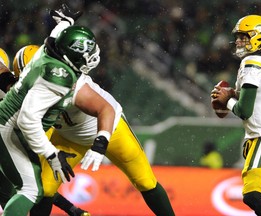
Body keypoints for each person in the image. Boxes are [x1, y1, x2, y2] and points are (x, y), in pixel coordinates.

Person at [9, 6, 174, 216]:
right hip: (69, 137)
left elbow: (104, 110)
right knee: (44, 189)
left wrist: (100, 143)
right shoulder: (31, 83)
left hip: (107, 129)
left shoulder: (68, 82)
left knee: (145, 180)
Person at [0, 7, 101, 216]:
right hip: (10, 128)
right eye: (87, 52)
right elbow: (28, 120)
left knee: (31, 185)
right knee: (29, 190)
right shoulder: (60, 78)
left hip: (10, 126)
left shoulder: (47, 53)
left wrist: (65, 23)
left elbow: (53, 41)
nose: (92, 56)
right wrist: (52, 154)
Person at [211, 15, 261, 216]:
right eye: (238, 37)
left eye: (244, 37)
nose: (238, 41)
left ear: (258, 37)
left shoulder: (251, 62)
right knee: (256, 195)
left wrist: (226, 99)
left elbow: (244, 110)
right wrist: (231, 96)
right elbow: (253, 96)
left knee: (252, 195)